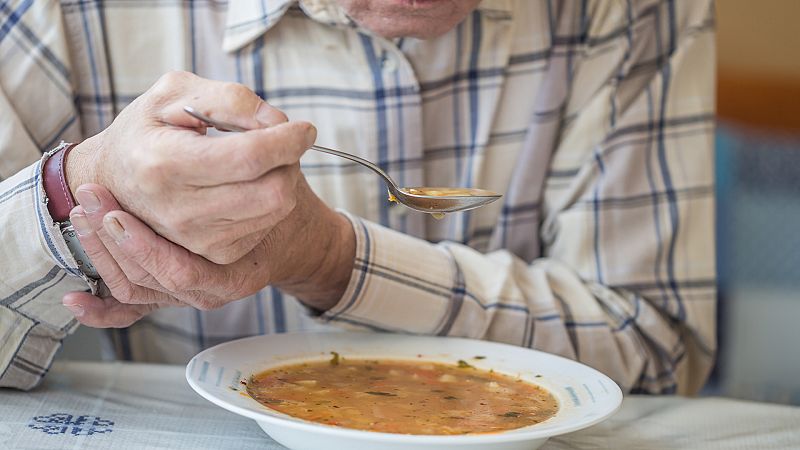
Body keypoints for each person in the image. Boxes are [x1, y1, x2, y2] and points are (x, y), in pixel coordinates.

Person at [0, 0, 716, 394]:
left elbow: (657, 349)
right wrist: (73, 186)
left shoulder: (630, 11)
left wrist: (332, 258)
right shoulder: (60, 11)